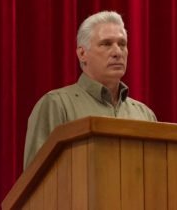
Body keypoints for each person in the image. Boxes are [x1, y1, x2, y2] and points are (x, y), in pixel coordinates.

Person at [23, 11, 157, 169]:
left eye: (122, 44)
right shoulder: (57, 105)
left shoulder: (144, 114)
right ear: (82, 54)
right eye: (106, 44)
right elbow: (37, 181)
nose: (117, 52)